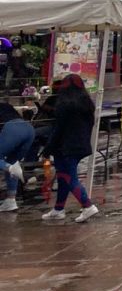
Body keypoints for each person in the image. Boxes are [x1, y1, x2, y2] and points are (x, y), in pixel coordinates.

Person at [43, 75, 99, 223]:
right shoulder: (87, 103)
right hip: (81, 145)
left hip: (65, 146)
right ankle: (59, 209)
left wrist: (48, 148)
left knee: (69, 177)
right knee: (63, 176)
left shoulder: (63, 104)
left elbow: (58, 129)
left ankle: (87, 206)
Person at [0, 102, 34, 213]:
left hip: (12, 129)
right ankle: (11, 200)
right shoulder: (5, 105)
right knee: (12, 160)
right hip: (28, 129)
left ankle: (10, 168)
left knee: (9, 166)